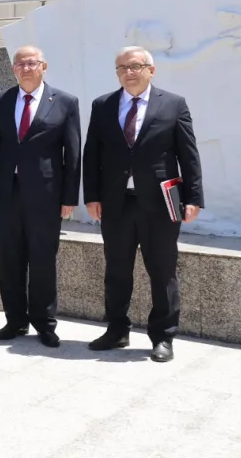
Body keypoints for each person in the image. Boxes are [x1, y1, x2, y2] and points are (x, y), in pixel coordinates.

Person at [83, 47, 203, 363]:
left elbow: (188, 154)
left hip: (161, 203)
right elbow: (92, 153)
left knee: (162, 271)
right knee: (116, 270)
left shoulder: (174, 104)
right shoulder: (103, 105)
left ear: (151, 69)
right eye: (122, 67)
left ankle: (163, 336)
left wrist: (193, 198)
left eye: (135, 66)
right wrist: (91, 195)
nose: (128, 72)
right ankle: (116, 330)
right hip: (116, 203)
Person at [0, 45, 81, 348]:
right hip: (7, 193)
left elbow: (73, 153)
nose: (25, 68)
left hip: (46, 195)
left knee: (42, 260)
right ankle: (15, 320)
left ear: (44, 66)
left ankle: (45, 323)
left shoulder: (65, 101)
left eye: (31, 63)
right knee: (9, 259)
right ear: (13, 68)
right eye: (20, 63)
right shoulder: (0, 100)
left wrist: (69, 197)